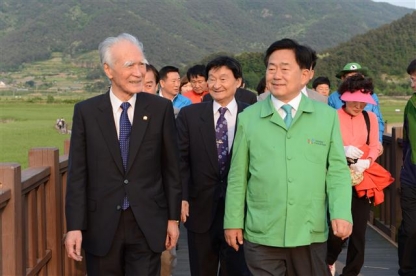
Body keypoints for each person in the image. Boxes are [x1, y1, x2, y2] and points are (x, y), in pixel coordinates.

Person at [224, 38, 353, 276]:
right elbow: (237, 175)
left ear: (305, 76)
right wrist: (232, 220)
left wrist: (341, 212)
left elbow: (337, 170)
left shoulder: (326, 116)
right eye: (271, 68)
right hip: (262, 231)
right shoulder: (249, 117)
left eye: (285, 68)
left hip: (309, 230)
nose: (276, 75)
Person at [64, 33, 182, 276]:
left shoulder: (160, 109)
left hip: (147, 222)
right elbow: (77, 175)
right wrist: (74, 227)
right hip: (101, 225)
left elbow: (171, 169)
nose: (138, 72)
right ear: (108, 70)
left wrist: (172, 220)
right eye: (130, 65)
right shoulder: (87, 112)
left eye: (141, 64)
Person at [177, 56, 251, 276]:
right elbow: (180, 159)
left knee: (237, 270)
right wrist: (182, 195)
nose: (216, 84)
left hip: (241, 211)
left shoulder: (252, 115)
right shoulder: (189, 115)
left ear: (238, 81)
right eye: (212, 79)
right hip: (200, 209)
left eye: (223, 78)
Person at [326, 74, 393, 276]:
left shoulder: (370, 117)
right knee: (337, 230)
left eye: (364, 102)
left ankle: (352, 272)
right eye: (356, 100)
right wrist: (342, 149)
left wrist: (368, 161)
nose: (359, 105)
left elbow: (374, 145)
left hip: (360, 178)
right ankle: (328, 259)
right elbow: (324, 146)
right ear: (345, 97)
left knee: (359, 232)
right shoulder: (331, 117)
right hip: (337, 177)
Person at [143, 63, 177, 276]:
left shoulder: (164, 114)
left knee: (163, 265)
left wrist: (173, 217)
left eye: (147, 84)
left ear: (157, 86)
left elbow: (172, 168)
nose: (142, 90)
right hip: (117, 220)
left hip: (157, 213)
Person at [328, 62, 385, 143]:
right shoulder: (333, 97)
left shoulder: (371, 96)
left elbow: (378, 120)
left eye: (357, 76)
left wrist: (378, 142)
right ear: (343, 78)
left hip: (366, 145)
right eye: (350, 77)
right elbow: (329, 123)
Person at [258, 46, 327, 104]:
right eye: (272, 69)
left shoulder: (321, 100)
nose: (277, 76)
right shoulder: (262, 99)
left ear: (310, 73)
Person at [398, 58, 416, 276]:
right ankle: (406, 269)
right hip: (411, 176)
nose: (412, 84)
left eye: (414, 80)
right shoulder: (410, 105)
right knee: (410, 228)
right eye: (412, 80)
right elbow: (407, 141)